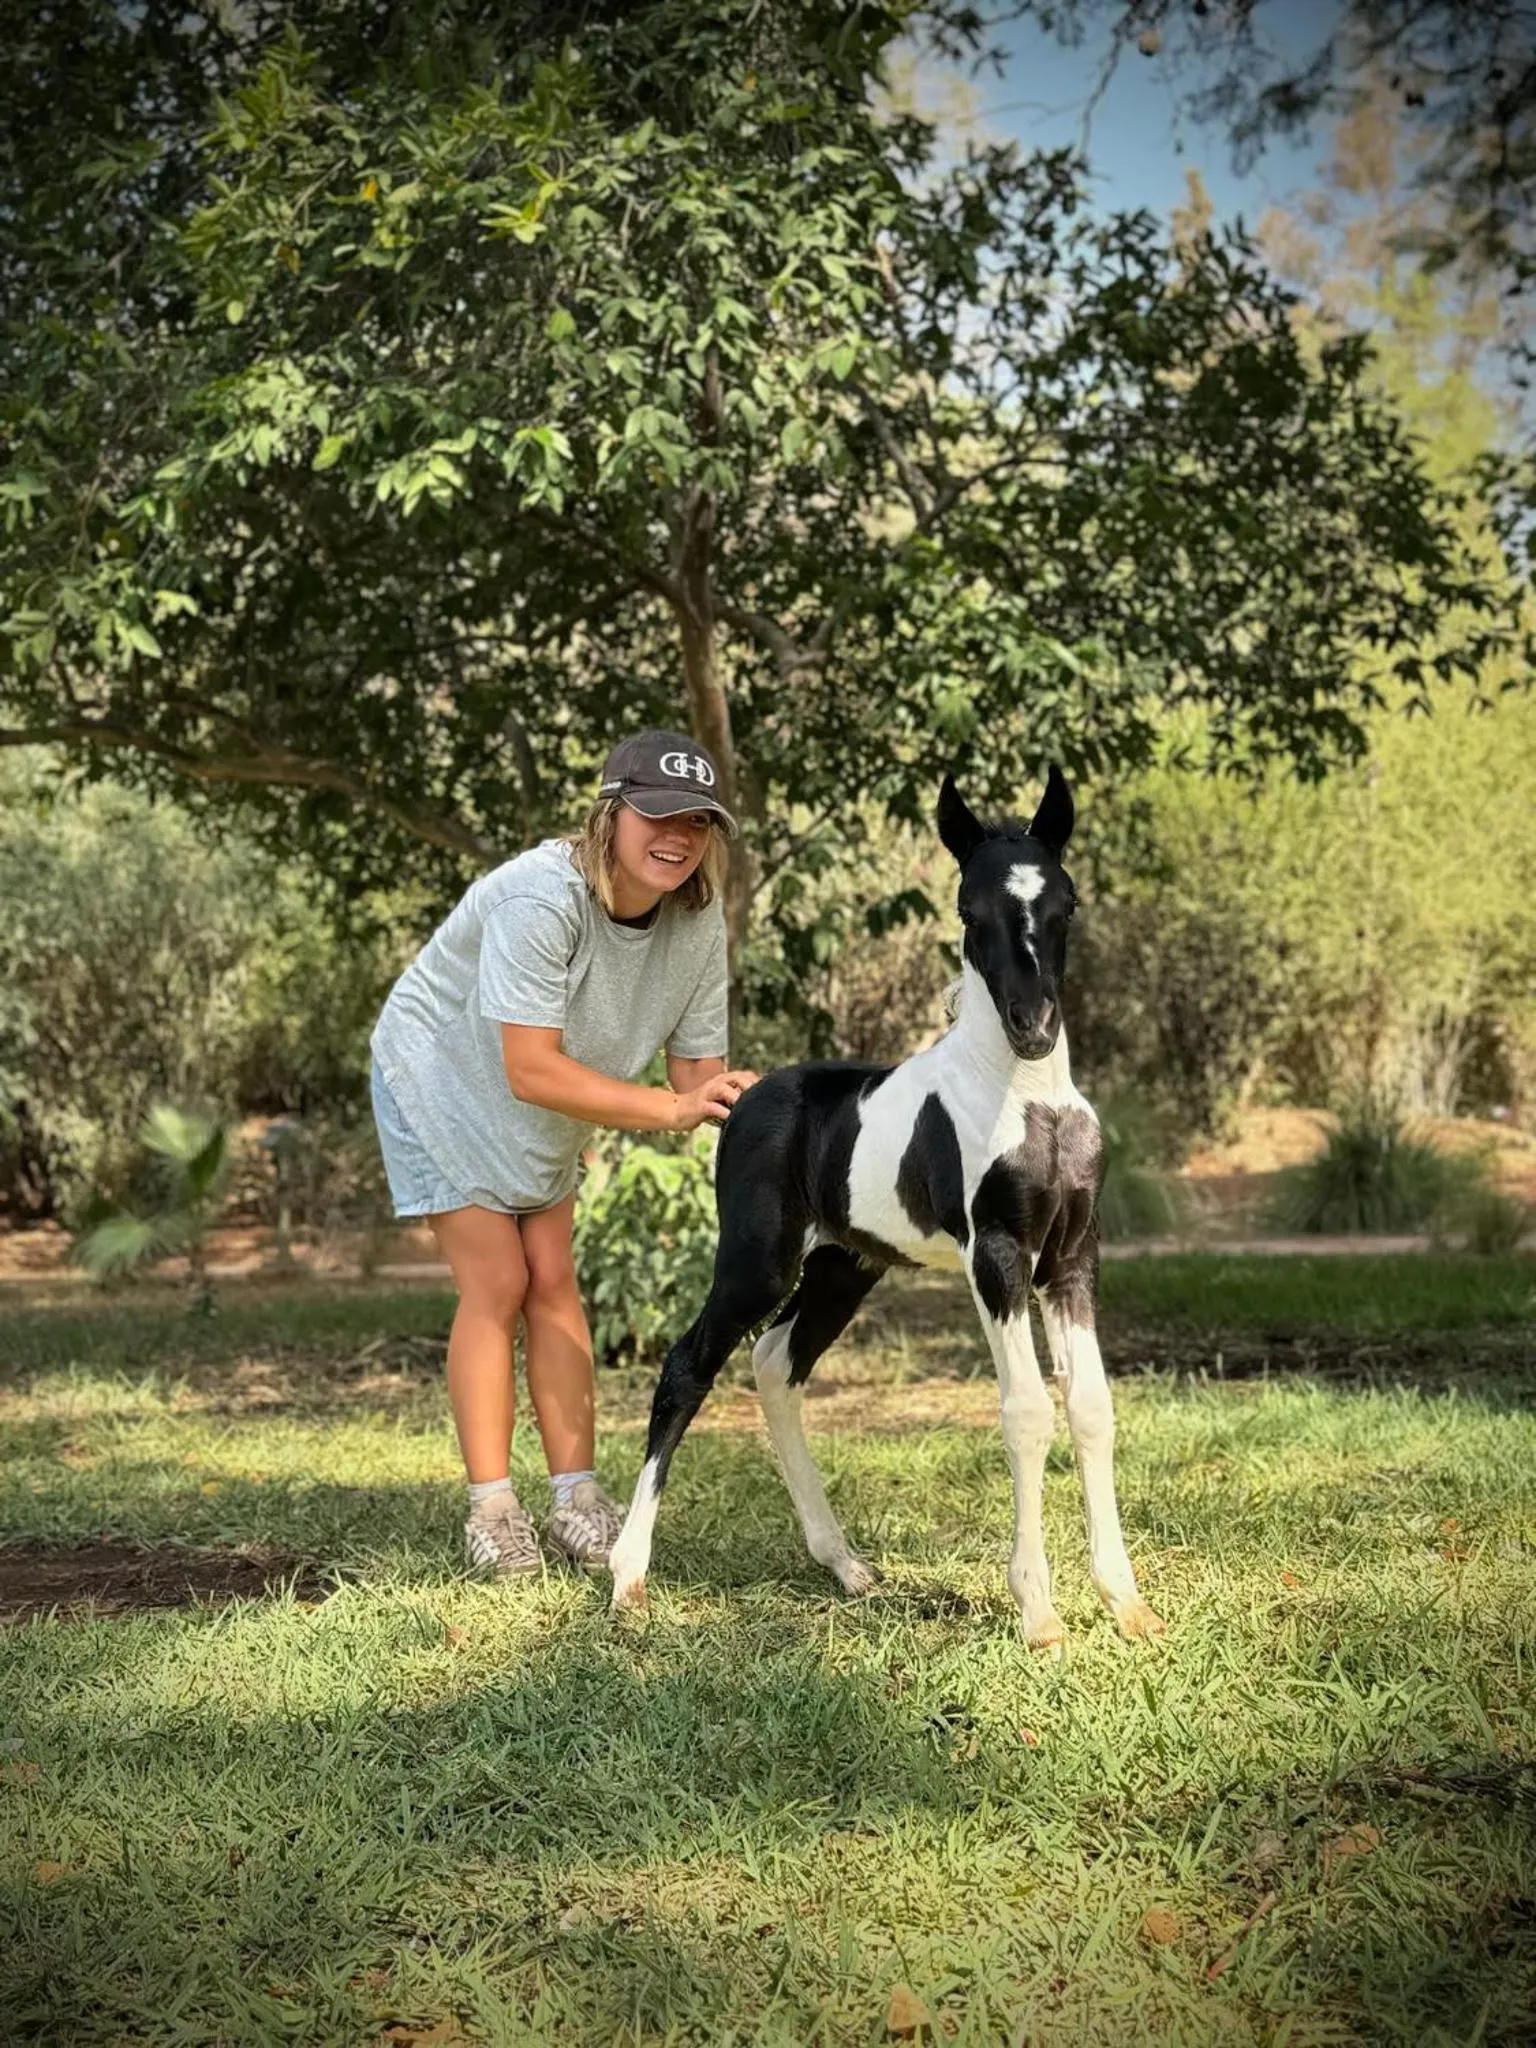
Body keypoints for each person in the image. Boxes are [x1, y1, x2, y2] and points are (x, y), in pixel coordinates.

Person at [369, 730, 758, 1578]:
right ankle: (493, 1510)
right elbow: (528, 1065)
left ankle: (578, 1501)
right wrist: (670, 1106)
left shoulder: (695, 926)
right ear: (611, 814)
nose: (678, 835)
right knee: (499, 1282)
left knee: (553, 1277)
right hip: (436, 1076)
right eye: (658, 814)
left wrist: (754, 1114)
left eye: (698, 821)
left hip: (536, 1103)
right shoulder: (539, 899)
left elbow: (699, 1077)